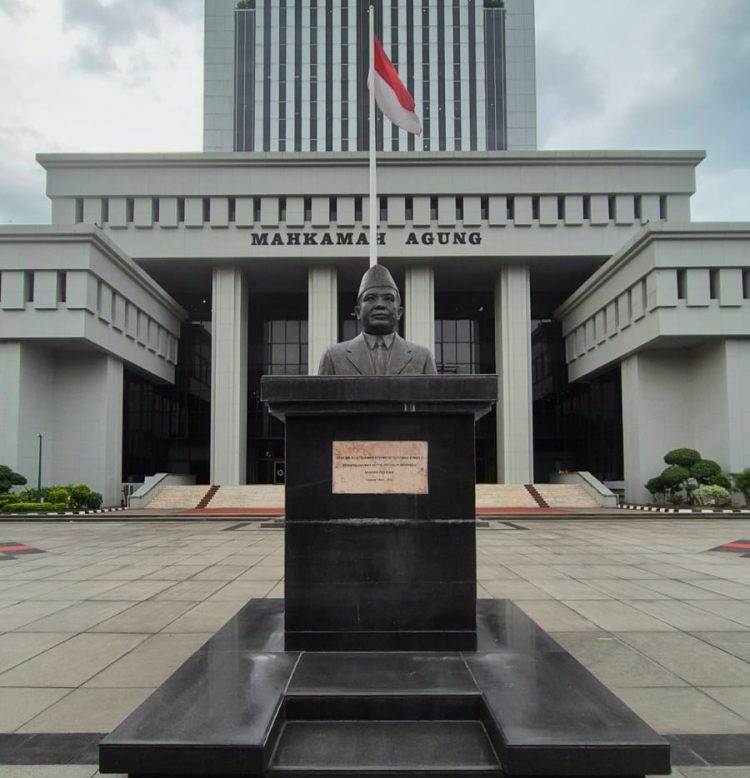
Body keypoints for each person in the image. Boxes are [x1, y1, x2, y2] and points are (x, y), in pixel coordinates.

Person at [318, 264, 437, 375]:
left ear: (399, 313)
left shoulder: (422, 357)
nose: (380, 305)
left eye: (388, 298)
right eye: (370, 298)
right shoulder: (333, 357)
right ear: (358, 312)